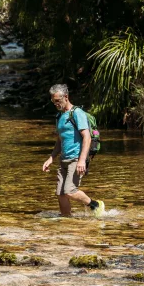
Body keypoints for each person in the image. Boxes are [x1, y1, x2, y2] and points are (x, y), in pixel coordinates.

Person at [42, 84, 105, 217]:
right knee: (60, 193)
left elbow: (86, 137)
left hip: (76, 159)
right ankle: (66, 220)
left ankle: (95, 205)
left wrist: (82, 160)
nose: (56, 104)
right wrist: (51, 158)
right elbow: (60, 140)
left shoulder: (77, 113)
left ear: (66, 97)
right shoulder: (59, 116)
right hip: (63, 159)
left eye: (58, 101)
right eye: (53, 102)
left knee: (70, 191)